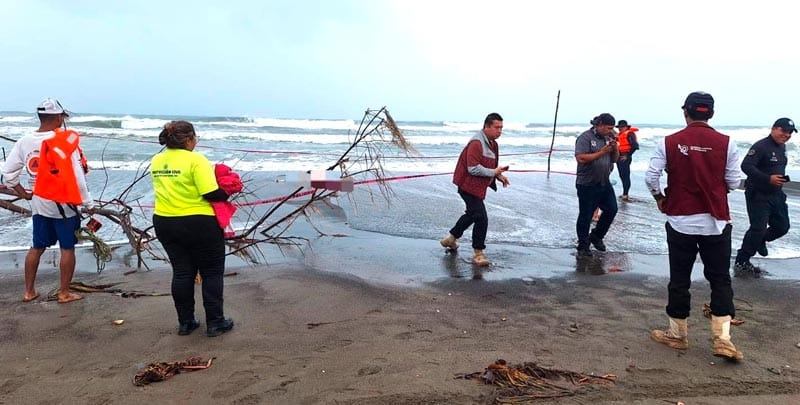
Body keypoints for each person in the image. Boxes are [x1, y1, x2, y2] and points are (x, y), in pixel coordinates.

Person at [645, 91, 743, 361]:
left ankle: (678, 334)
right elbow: (734, 182)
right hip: (717, 222)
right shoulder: (727, 143)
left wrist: (659, 197)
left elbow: (651, 177)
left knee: (680, 278)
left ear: (685, 112)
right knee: (720, 278)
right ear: (710, 113)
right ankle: (723, 339)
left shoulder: (669, 142)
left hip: (681, 221)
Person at [0, 98, 94, 304]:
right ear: (60, 117)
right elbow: (77, 175)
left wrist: (23, 192)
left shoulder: (25, 141)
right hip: (64, 203)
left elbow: (7, 173)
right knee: (67, 247)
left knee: (37, 246)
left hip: (39, 201)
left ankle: (29, 291)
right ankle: (64, 293)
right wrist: (89, 203)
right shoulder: (64, 140)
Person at [150, 120, 234, 337]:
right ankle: (216, 322)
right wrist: (228, 191)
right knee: (212, 272)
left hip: (165, 221)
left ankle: (186, 322)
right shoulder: (196, 160)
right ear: (189, 139)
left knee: (182, 272)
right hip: (199, 222)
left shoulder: (157, 160)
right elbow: (210, 192)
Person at [439, 113, 510, 266]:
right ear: (486, 127)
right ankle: (478, 254)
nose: (500, 131)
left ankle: (451, 239)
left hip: (478, 187)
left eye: (501, 128)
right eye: (497, 127)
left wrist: (499, 176)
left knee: (472, 215)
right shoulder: (476, 143)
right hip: (466, 185)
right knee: (481, 217)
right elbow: (473, 168)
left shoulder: (493, 144)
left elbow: (491, 167)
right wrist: (494, 172)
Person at [733, 118, 795, 276]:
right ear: (773, 129)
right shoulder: (761, 146)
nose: (786, 135)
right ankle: (742, 261)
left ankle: (761, 240)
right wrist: (768, 179)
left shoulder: (782, 147)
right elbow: (746, 165)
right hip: (758, 194)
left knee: (782, 227)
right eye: (783, 130)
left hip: (777, 194)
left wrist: (779, 180)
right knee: (757, 228)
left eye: (789, 132)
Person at [574, 113, 619, 257]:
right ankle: (583, 244)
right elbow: (580, 158)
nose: (610, 131)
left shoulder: (609, 137)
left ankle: (597, 236)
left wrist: (615, 147)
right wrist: (602, 152)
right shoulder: (585, 137)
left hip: (604, 181)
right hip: (587, 183)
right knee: (586, 215)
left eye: (612, 128)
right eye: (608, 128)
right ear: (598, 125)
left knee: (612, 209)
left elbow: (614, 159)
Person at [615, 119, 640, 201]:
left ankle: (626, 194)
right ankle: (624, 193)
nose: (620, 128)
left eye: (622, 127)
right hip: (619, 156)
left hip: (625, 156)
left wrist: (627, 156)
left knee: (625, 175)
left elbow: (635, 146)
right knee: (622, 175)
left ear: (626, 127)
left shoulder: (630, 134)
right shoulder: (620, 135)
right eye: (619, 127)